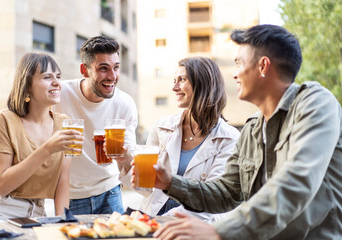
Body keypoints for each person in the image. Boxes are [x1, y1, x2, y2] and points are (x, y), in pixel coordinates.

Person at [145, 24, 342, 239]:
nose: (235, 74)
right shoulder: (252, 128)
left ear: (263, 66)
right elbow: (227, 192)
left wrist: (218, 231)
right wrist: (169, 183)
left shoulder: (315, 104)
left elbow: (296, 183)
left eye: (238, 63)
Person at [124, 57, 240, 222]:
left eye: (182, 80)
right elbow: (146, 188)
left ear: (202, 83)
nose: (174, 87)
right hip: (152, 218)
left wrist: (162, 221)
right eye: (174, 80)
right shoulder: (161, 127)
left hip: (194, 222)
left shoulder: (229, 138)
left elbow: (214, 199)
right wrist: (124, 161)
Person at [0, 52, 84, 225]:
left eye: (58, 77)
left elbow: (62, 181)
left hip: (35, 213)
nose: (56, 83)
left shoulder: (64, 123)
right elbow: (1, 186)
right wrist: (47, 149)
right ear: (27, 85)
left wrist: (62, 222)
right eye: (47, 77)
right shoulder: (5, 119)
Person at [53, 36, 138, 215]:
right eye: (103, 69)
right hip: (70, 195)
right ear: (84, 70)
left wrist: (124, 154)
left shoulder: (125, 103)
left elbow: (132, 160)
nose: (112, 76)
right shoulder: (59, 94)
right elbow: (27, 125)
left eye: (116, 67)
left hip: (110, 192)